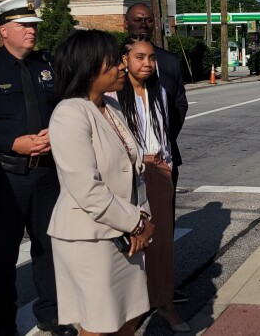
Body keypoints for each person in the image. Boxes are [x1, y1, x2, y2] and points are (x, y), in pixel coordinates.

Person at [0, 0, 75, 336]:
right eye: (24, 26)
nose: (31, 31)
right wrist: (11, 143)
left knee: (50, 246)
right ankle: (4, 322)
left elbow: (69, 106)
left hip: (47, 173)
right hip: (6, 177)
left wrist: (57, 133)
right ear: (3, 30)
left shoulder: (49, 64)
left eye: (34, 25)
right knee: (2, 255)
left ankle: (53, 313)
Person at [47, 30, 155, 336]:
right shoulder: (69, 114)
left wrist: (142, 221)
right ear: (89, 67)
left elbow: (132, 174)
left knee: (130, 317)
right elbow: (87, 189)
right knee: (99, 325)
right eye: (113, 62)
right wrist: (135, 223)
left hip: (123, 233)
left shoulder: (111, 107)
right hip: (89, 239)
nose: (123, 67)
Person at [110, 35, 189, 332]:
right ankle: (131, 306)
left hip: (159, 169)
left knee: (162, 242)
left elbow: (168, 129)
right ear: (125, 61)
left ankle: (164, 302)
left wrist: (166, 162)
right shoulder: (114, 96)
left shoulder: (160, 92)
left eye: (151, 58)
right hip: (129, 174)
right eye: (140, 57)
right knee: (133, 241)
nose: (147, 63)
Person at [123, 3, 189, 304]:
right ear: (127, 23)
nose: (143, 24)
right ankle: (136, 293)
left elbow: (178, 106)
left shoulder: (169, 63)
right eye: (137, 20)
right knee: (131, 230)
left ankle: (163, 290)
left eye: (148, 20)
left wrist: (162, 144)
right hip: (129, 167)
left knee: (163, 232)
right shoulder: (113, 62)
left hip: (161, 159)